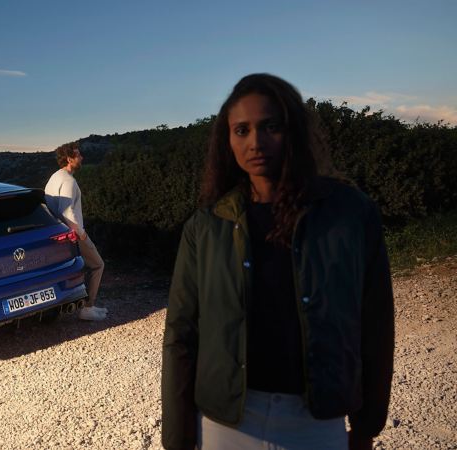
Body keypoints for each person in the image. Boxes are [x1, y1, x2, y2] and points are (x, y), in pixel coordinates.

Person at [161, 74, 394, 450]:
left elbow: (376, 324)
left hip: (316, 423)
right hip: (226, 426)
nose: (256, 142)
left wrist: (367, 426)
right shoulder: (205, 227)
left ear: (294, 130)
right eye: (242, 130)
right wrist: (177, 439)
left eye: (271, 126)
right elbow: (181, 336)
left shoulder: (351, 215)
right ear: (228, 140)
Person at [45, 142, 107, 321]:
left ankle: (86, 305)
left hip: (60, 234)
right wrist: (81, 233)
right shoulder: (68, 182)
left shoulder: (55, 177)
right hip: (74, 234)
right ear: (69, 159)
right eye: (78, 155)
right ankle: (87, 308)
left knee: (81, 268)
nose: (82, 158)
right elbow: (67, 211)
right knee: (97, 265)